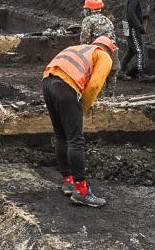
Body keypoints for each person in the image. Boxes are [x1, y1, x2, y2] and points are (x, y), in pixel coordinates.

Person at [42, 36, 116, 208]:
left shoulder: (81, 48)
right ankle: (81, 192)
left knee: (61, 135)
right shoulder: (103, 55)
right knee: (76, 139)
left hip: (47, 82)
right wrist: (82, 107)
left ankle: (67, 182)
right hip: (65, 86)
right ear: (110, 50)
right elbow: (95, 85)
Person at [79, 0, 119, 90]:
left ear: (91, 10)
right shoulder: (108, 21)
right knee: (111, 85)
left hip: (99, 55)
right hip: (112, 53)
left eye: (87, 9)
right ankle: (112, 102)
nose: (86, 11)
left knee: (98, 86)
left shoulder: (87, 21)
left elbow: (84, 42)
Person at [120, 0, 155, 83]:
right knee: (139, 51)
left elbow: (132, 12)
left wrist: (143, 16)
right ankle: (142, 75)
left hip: (129, 27)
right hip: (132, 28)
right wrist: (139, 26)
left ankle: (120, 72)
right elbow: (130, 13)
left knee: (131, 51)